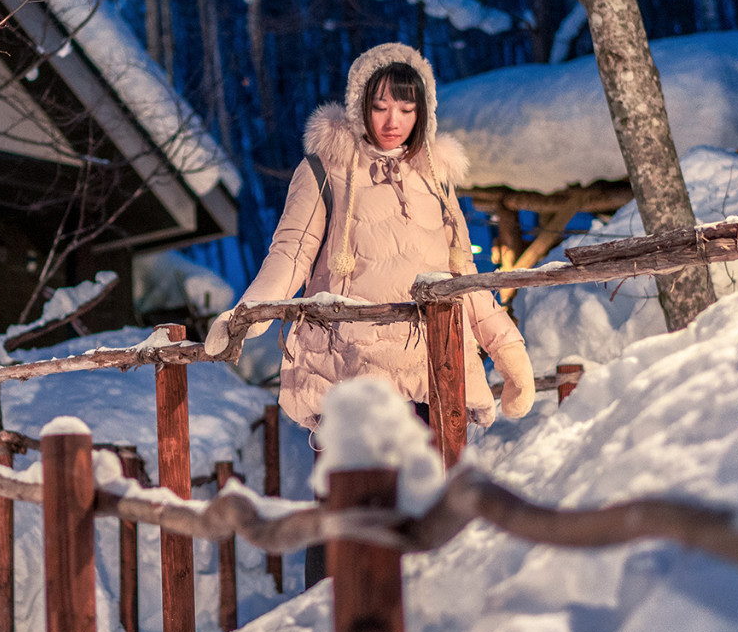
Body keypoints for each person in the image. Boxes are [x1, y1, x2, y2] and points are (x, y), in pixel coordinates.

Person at [205, 42, 534, 432]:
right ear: (359, 105)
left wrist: (509, 351)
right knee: (365, 491)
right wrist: (246, 317)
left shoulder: (436, 179)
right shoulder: (326, 169)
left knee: (439, 489)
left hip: (436, 370)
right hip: (351, 367)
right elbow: (290, 256)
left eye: (407, 110)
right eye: (380, 107)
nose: (393, 121)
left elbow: (462, 277)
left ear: (423, 113)